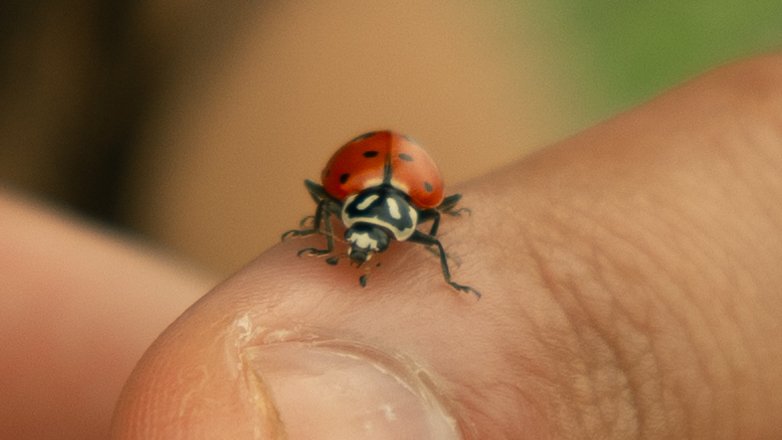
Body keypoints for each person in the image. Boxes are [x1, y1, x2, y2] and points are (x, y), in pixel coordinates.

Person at [3, 54, 782, 439]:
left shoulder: (405, 209)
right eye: (360, 235)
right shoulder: (368, 204)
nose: (365, 247)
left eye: (369, 237)